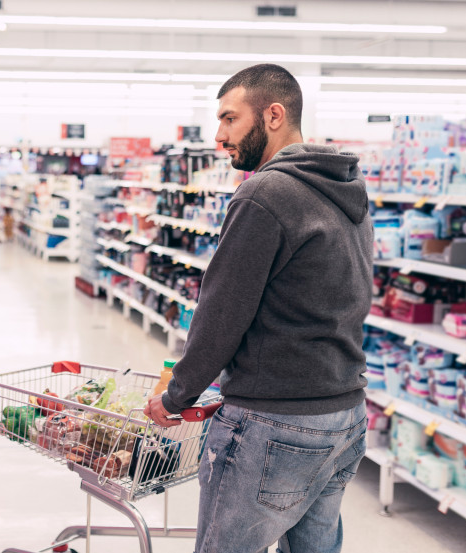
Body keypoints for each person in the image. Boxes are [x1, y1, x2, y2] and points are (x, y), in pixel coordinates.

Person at [143, 64, 372, 553]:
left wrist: (177, 395)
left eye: (229, 118)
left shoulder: (266, 192)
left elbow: (222, 312)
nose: (219, 135)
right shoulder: (348, 191)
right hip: (344, 414)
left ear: (272, 115)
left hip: (274, 421)